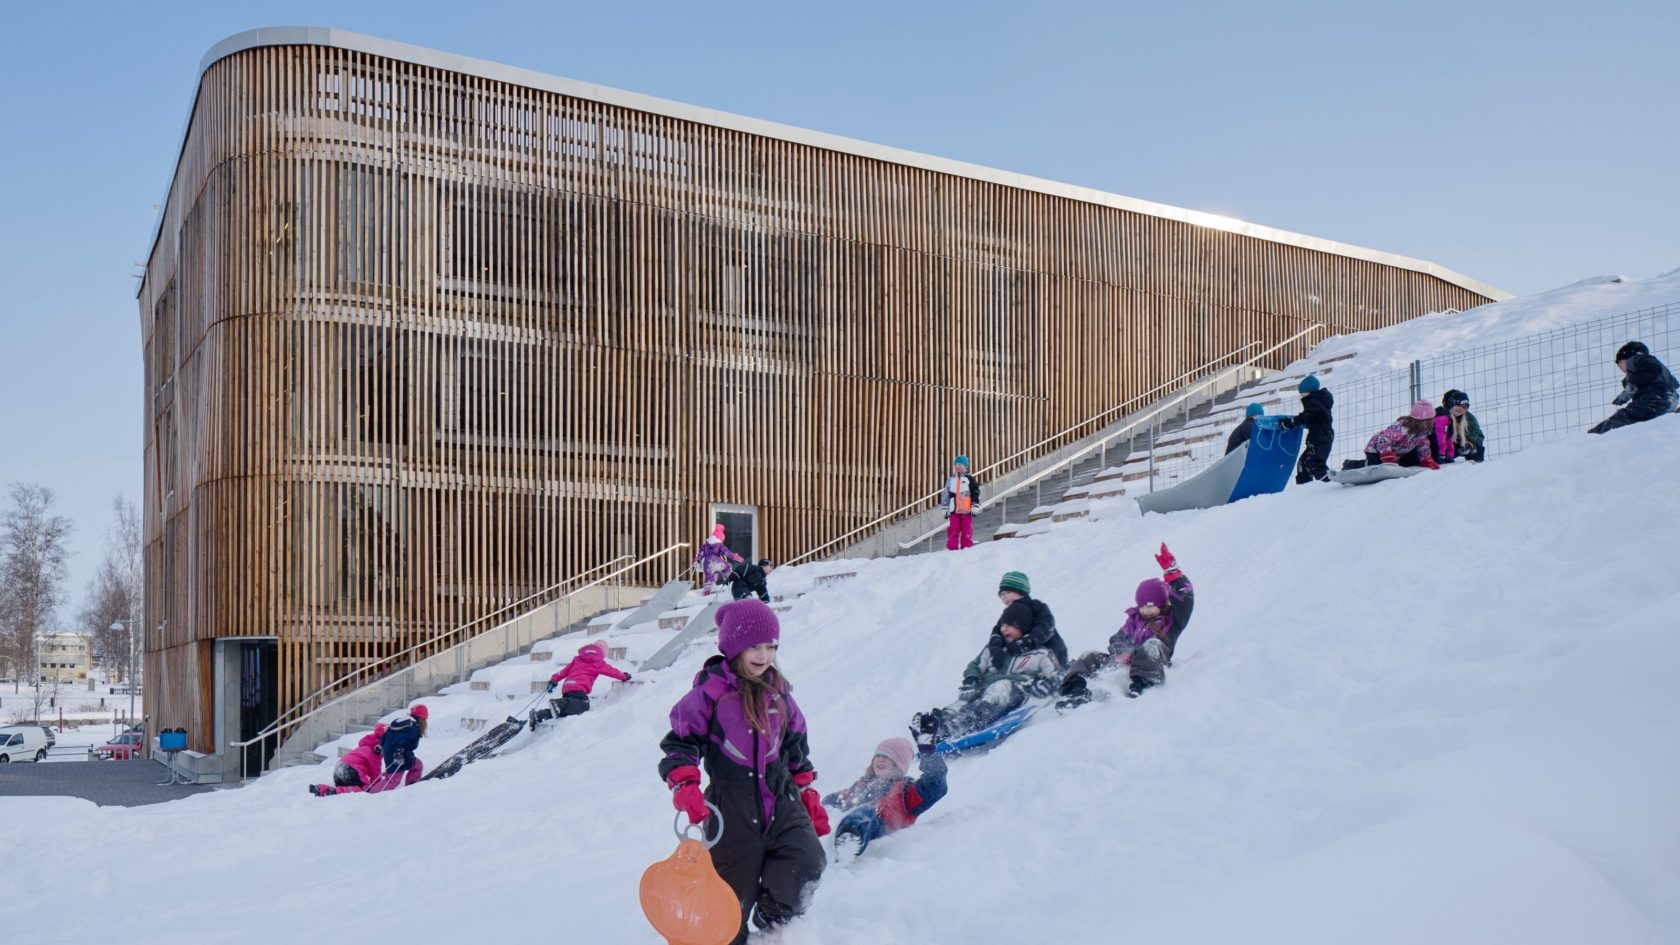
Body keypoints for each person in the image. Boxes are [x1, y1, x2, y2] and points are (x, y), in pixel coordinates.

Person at [659, 600, 828, 944]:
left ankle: (774, 922)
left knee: (807, 860)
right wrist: (685, 784)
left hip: (782, 798)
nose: (764, 655)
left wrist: (806, 789)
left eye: (771, 646)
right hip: (730, 808)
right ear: (734, 647)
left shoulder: (780, 693)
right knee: (728, 902)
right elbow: (680, 742)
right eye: (754, 646)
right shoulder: (709, 694)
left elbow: (795, 743)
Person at [1060, 544, 1195, 703]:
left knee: (1151, 645)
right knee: (1088, 656)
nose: (1146, 610)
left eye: (1151, 606)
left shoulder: (1172, 620)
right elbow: (1117, 638)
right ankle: (1076, 691)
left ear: (1161, 604)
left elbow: (1185, 599)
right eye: (1142, 606)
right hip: (1125, 662)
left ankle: (1142, 684)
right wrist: (1120, 652)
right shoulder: (1134, 619)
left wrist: (1174, 574)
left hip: (1154, 664)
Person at [912, 601, 1063, 741]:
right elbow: (976, 665)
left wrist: (1048, 683)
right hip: (984, 688)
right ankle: (936, 723)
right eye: (1003, 625)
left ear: (1022, 627)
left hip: (1016, 690)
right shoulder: (994, 649)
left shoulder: (1040, 653)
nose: (1003, 629)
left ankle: (958, 727)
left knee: (1000, 687)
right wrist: (971, 679)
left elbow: (1057, 673)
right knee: (964, 701)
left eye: (1010, 625)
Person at [824, 733, 948, 859]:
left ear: (899, 765)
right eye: (878, 756)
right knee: (836, 803)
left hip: (880, 824)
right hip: (851, 819)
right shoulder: (861, 785)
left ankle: (848, 843)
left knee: (866, 812)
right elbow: (843, 798)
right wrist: (826, 803)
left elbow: (935, 785)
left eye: (888, 757)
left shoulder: (905, 788)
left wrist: (928, 753)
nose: (881, 759)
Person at [529, 641, 631, 730]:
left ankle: (539, 716)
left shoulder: (578, 659)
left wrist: (553, 680)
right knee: (584, 705)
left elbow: (564, 671)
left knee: (566, 711)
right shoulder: (598, 662)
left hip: (567, 688)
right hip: (579, 688)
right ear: (603, 652)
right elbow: (612, 672)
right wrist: (624, 676)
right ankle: (558, 704)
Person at [1588, 341, 1680, 434]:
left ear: (1627, 357)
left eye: (1619, 362)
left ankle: (1593, 436)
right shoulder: (1660, 372)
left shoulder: (1637, 359)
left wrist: (1630, 388)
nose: (1618, 365)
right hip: (1670, 400)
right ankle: (1673, 417)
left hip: (1653, 399)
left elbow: (1651, 367)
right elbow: (1675, 384)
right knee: (1646, 420)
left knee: (1623, 417)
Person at [994, 571, 1069, 668]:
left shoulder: (1035, 606)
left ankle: (1064, 671)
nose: (1004, 597)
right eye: (1001, 594)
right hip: (1029, 658)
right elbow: (998, 628)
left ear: (1020, 591)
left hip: (1052, 653)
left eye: (1008, 592)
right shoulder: (1008, 613)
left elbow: (1046, 624)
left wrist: (1030, 640)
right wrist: (994, 644)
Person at [1279, 375, 1334, 483]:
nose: (1301, 395)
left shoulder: (1314, 402)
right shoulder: (1318, 401)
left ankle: (1328, 483)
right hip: (1321, 437)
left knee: (1314, 463)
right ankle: (1304, 487)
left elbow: (1305, 417)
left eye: (1302, 393)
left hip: (1321, 438)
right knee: (1303, 462)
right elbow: (1311, 419)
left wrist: (1290, 422)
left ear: (1309, 391)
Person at [308, 723, 386, 796]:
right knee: (365, 790)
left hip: (339, 768)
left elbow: (368, 768)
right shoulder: (376, 750)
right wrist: (378, 784)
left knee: (347, 789)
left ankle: (322, 789)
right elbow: (375, 772)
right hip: (350, 770)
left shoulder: (365, 745)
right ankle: (333, 792)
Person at [1361, 401, 1441, 469]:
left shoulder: (1423, 432)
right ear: (1423, 421)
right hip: (1375, 450)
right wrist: (1388, 458)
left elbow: (1423, 446)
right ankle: (1359, 464)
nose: (1431, 422)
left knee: (1406, 463)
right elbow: (1384, 439)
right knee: (1375, 465)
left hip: (1395, 453)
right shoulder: (1402, 427)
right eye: (1429, 420)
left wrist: (1426, 460)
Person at [369, 704, 428, 791]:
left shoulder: (402, 723)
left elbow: (386, 734)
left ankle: (411, 787)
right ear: (422, 718)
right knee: (392, 781)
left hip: (398, 753)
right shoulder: (412, 727)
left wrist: (381, 745)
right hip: (397, 755)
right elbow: (400, 741)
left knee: (417, 766)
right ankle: (371, 795)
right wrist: (398, 755)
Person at [1432, 390, 1486, 463]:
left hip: (1460, 442)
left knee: (1478, 439)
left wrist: (1469, 443)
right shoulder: (1442, 416)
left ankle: (1475, 463)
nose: (1460, 409)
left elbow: (1475, 431)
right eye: (1457, 405)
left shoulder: (1468, 417)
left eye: (1463, 407)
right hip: (1444, 444)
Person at [941, 455, 982, 551]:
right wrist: (944, 508)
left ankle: (966, 547)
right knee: (953, 528)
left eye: (960, 464)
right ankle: (952, 548)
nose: (957, 466)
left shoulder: (969, 479)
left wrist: (975, 505)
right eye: (956, 464)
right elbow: (946, 494)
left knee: (966, 528)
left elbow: (975, 492)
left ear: (965, 466)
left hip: (966, 509)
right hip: (954, 510)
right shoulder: (951, 480)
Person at [692, 524, 745, 593]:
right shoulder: (719, 545)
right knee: (728, 566)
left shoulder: (705, 545)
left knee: (710, 578)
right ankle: (727, 580)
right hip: (716, 562)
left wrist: (696, 560)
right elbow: (727, 553)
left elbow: (700, 554)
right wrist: (737, 557)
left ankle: (707, 590)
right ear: (719, 538)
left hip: (707, 564)